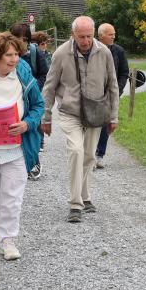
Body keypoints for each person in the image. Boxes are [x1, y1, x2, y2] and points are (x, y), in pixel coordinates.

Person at [0, 32, 44, 261]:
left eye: (16, 54)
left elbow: (38, 106)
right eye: (8, 55)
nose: (14, 60)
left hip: (16, 150)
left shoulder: (23, 74)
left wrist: (26, 124)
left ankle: (8, 239)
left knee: (12, 197)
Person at [41, 16, 119, 223]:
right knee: (76, 151)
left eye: (89, 36)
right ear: (73, 34)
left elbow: (112, 85)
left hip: (96, 112)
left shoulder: (104, 52)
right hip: (70, 112)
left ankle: (85, 195)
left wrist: (114, 116)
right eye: (81, 36)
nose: (85, 41)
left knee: (89, 157)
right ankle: (75, 204)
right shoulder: (61, 54)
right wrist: (46, 116)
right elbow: (49, 87)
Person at [11, 23, 49, 179]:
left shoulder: (36, 54)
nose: (20, 43)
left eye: (23, 39)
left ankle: (34, 161)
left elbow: (44, 74)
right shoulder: (5, 53)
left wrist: (32, 88)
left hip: (30, 99)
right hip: (11, 99)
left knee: (30, 129)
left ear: (28, 40)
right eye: (16, 39)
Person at [95, 23, 129, 169]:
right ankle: (87, 153)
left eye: (114, 34)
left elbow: (124, 73)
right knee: (88, 123)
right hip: (92, 95)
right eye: (110, 34)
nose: (113, 36)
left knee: (105, 125)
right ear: (101, 35)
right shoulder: (92, 49)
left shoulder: (119, 51)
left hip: (110, 95)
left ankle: (99, 155)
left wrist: (118, 91)